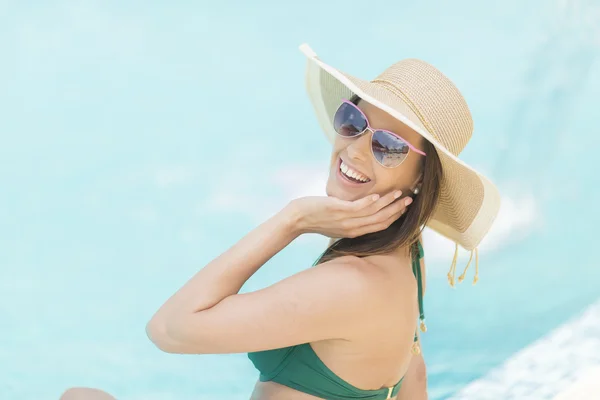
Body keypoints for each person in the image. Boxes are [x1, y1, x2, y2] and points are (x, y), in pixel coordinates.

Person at [60, 43, 500, 400]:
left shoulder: (353, 284)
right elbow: (413, 376)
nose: (356, 150)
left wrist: (293, 220)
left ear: (422, 178)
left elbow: (169, 329)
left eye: (389, 146)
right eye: (354, 121)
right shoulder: (408, 258)